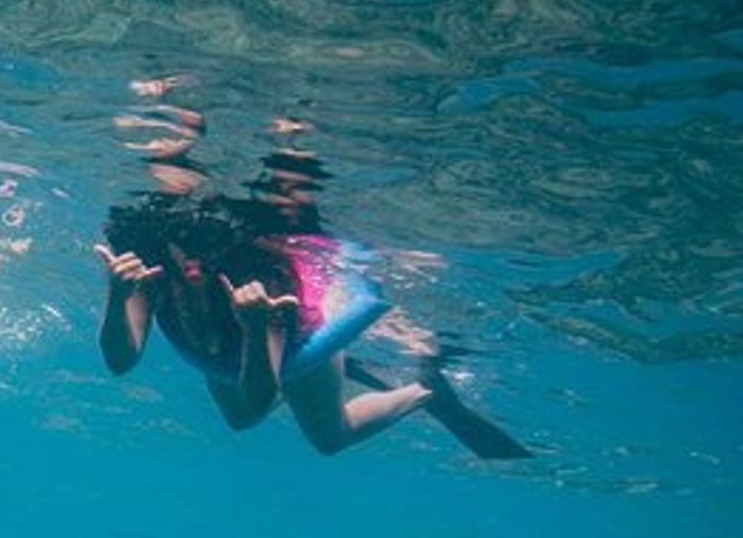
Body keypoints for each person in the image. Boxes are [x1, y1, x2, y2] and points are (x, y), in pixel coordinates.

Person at [96, 102, 527, 459]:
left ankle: (425, 391)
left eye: (199, 261)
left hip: (295, 341)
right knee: (239, 419)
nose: (190, 269)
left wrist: (256, 328)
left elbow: (261, 395)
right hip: (214, 342)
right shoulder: (143, 245)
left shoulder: (260, 275)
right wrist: (119, 296)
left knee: (328, 437)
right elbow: (121, 362)